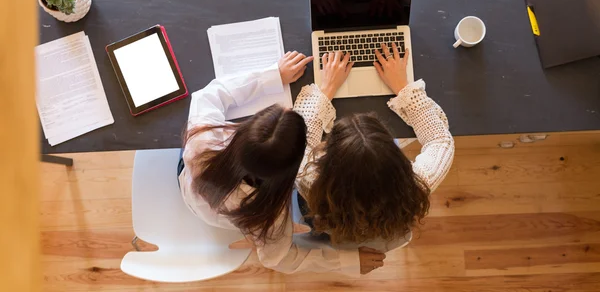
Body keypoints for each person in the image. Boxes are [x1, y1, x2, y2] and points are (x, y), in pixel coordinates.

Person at [178, 51, 385, 275]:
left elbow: (208, 95)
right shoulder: (270, 217)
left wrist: (273, 75)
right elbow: (278, 259)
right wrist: (346, 263)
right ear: (295, 166)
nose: (287, 107)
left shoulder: (202, 142)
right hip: (226, 214)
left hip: (194, 188)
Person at [293, 43, 455, 274]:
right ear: (396, 161)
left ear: (327, 161)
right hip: (387, 228)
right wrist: (403, 86)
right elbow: (440, 140)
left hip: (330, 223)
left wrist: (327, 87)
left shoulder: (309, 179)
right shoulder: (418, 183)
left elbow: (300, 138)